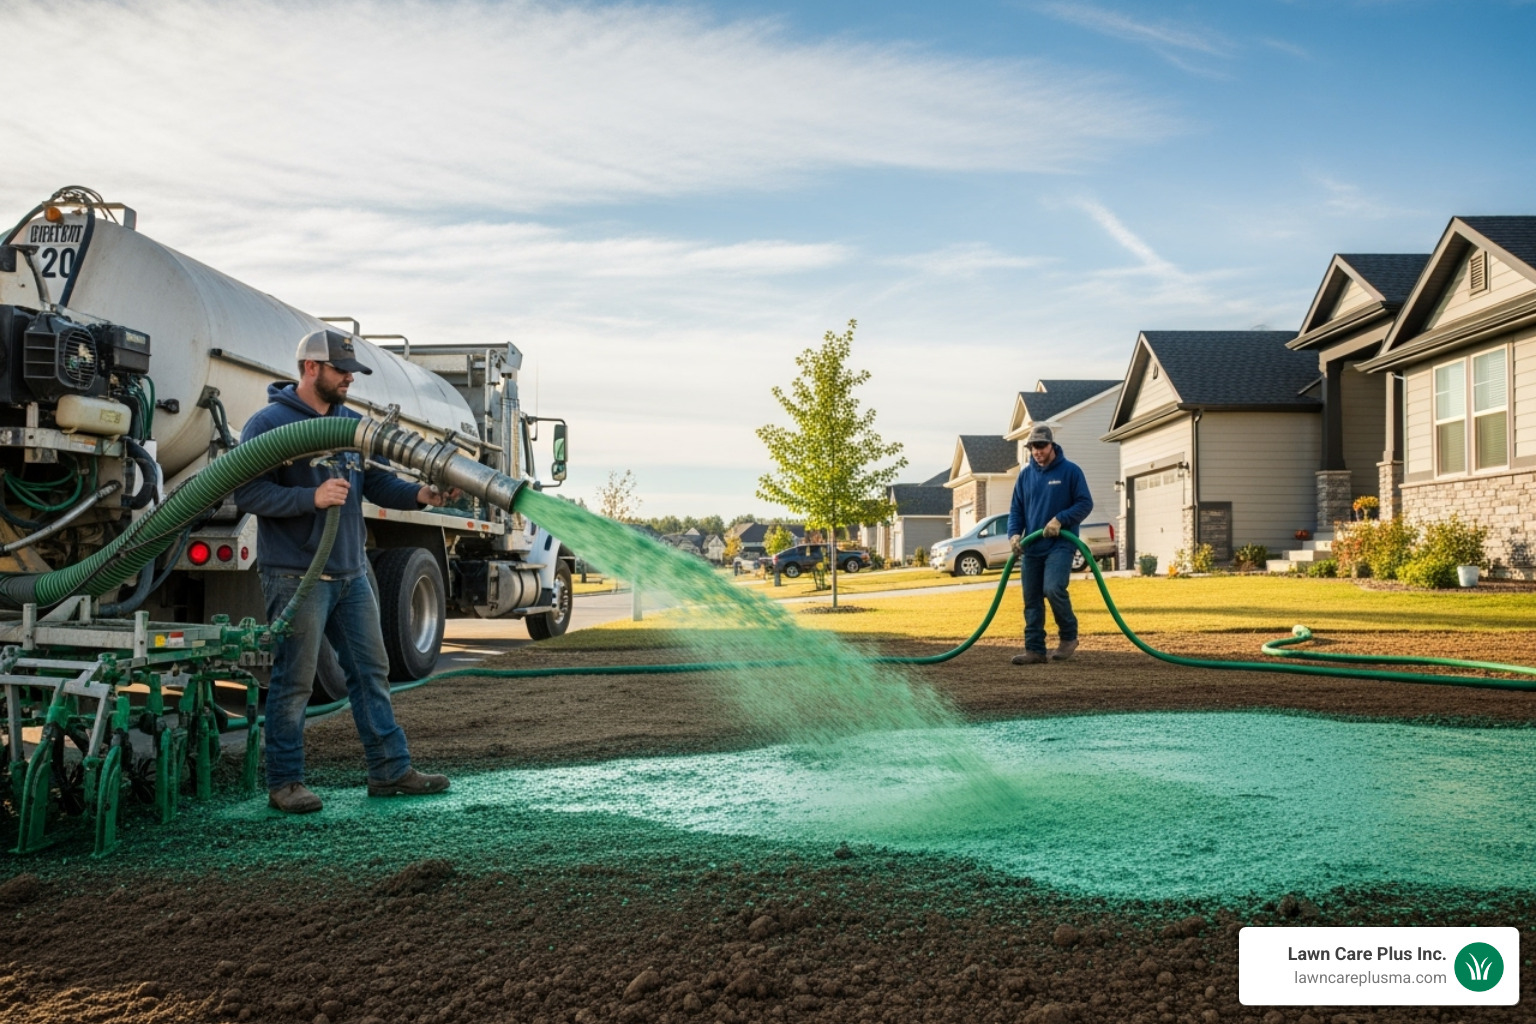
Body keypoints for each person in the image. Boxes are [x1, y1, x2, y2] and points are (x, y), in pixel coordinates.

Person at [235, 329, 460, 814]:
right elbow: (247, 495)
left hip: (352, 574)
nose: (349, 381)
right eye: (341, 372)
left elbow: (376, 483)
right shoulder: (268, 425)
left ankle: (390, 771)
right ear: (310, 368)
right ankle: (286, 783)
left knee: (371, 673)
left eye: (352, 374)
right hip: (296, 574)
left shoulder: (352, 424)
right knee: (294, 682)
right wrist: (309, 499)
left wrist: (423, 496)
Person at [1006, 424, 1093, 665]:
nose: (1037, 451)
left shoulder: (1070, 472)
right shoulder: (1025, 475)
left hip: (1060, 544)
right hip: (1032, 546)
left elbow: (1085, 503)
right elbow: (1016, 510)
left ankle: (1068, 637)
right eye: (1033, 447)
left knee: (1053, 588)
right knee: (1031, 598)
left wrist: (1060, 519)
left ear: (1051, 445)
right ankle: (1034, 650)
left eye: (1042, 446)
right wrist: (1014, 535)